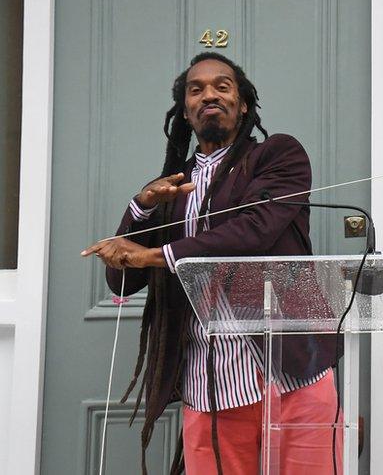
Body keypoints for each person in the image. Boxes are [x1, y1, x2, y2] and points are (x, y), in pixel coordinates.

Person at [82, 52, 342, 474]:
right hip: (210, 380)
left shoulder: (278, 156)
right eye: (196, 89)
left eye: (223, 86)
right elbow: (122, 281)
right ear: (184, 110)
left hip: (292, 370)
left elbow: (254, 231)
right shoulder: (172, 186)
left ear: (242, 104)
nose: (209, 95)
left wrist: (156, 255)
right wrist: (142, 206)